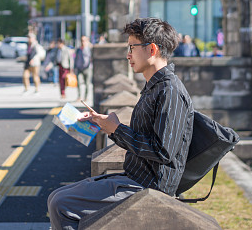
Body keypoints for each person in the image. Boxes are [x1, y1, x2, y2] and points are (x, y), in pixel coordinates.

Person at [47, 18, 194, 230]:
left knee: (61, 204)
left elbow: (163, 151)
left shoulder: (169, 91)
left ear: (151, 49)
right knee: (56, 197)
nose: (128, 55)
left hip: (148, 186)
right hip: (134, 177)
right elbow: (147, 137)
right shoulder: (155, 87)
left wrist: (117, 129)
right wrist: (105, 125)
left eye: (132, 48)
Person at [74, 35, 92, 101]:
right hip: (79, 68)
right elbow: (76, 58)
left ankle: (86, 97)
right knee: (78, 82)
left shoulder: (90, 49)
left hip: (87, 68)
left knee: (87, 83)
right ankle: (79, 96)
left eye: (84, 41)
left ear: (87, 41)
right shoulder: (78, 49)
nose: (83, 42)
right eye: (82, 41)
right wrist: (74, 67)